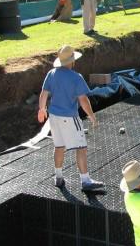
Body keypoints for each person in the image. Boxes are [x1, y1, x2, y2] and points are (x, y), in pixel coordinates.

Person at [37, 45, 105, 191]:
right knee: (81, 147)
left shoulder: (51, 73)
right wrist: (92, 116)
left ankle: (58, 177)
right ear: (72, 61)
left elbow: (44, 94)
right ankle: (86, 181)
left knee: (59, 146)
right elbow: (83, 100)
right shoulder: (76, 77)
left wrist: (42, 109)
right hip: (69, 117)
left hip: (54, 117)